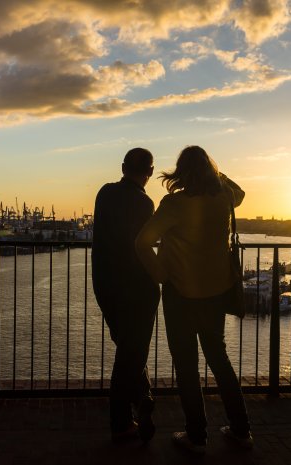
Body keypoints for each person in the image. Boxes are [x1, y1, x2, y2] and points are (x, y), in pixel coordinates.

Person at [135, 145, 252, 454]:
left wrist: (161, 274)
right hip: (215, 293)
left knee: (186, 365)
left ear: (181, 172)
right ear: (210, 171)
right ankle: (241, 430)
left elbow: (142, 242)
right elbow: (239, 193)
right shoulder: (224, 198)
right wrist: (218, 175)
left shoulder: (173, 204)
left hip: (180, 295)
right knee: (219, 359)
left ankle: (196, 436)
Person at [92, 148, 161, 441]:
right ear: (149, 172)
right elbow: (144, 245)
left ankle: (142, 401)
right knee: (131, 355)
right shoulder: (145, 204)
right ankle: (122, 419)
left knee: (128, 350)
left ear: (122, 167)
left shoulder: (104, 194)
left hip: (107, 287)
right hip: (138, 289)